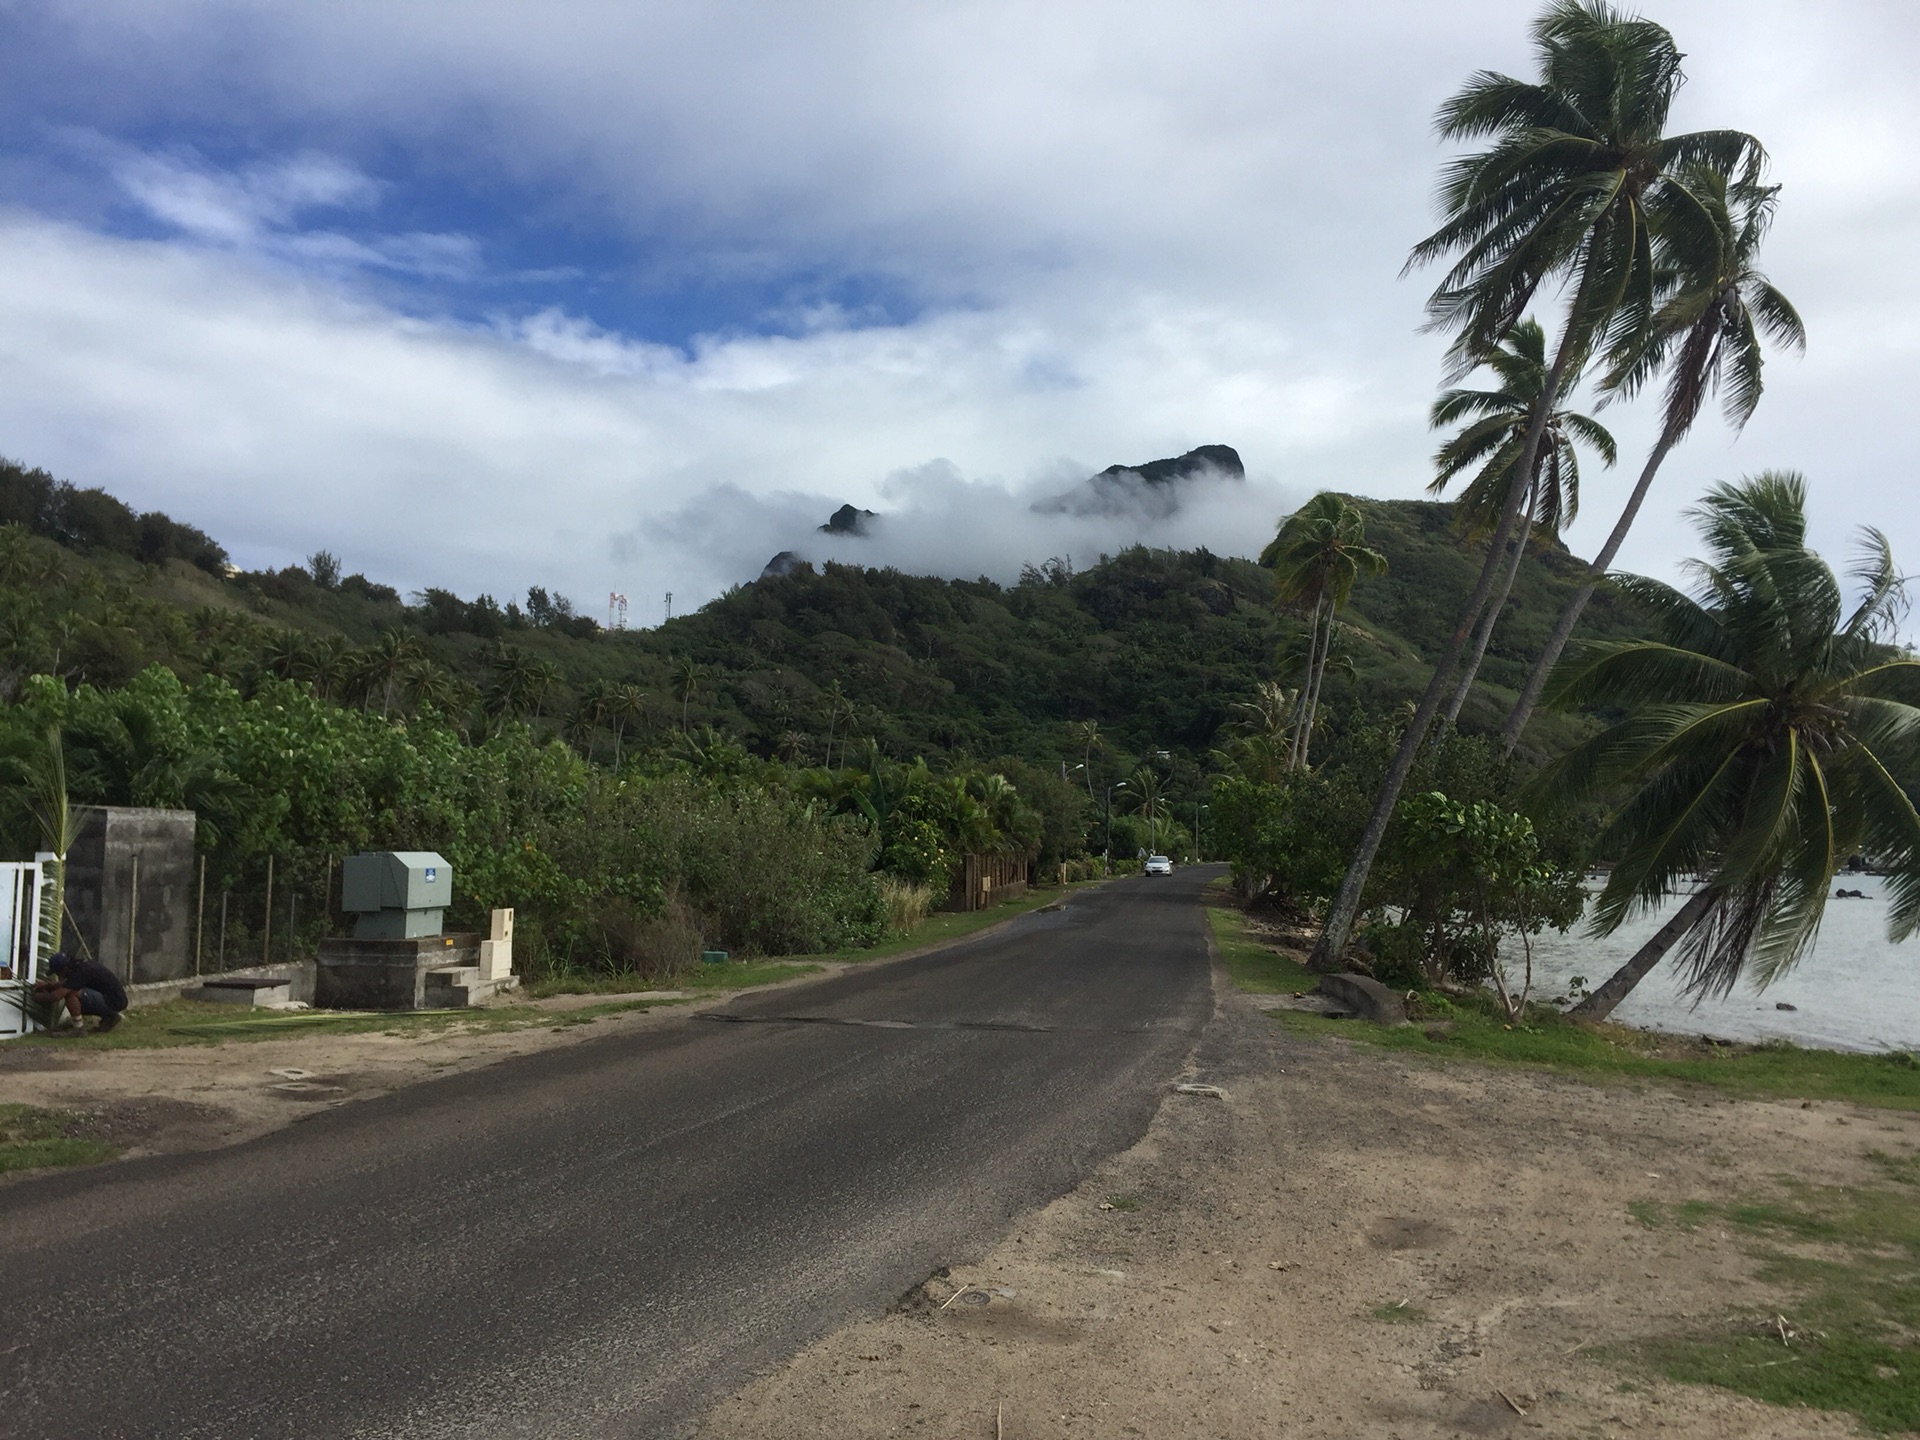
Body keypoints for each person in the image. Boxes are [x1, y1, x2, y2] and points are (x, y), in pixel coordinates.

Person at [33, 952, 128, 1034]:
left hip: (113, 1002)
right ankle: (110, 1017)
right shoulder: (81, 966)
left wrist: (38, 997)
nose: (58, 975)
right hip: (115, 1000)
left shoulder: (80, 972)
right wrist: (48, 985)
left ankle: (78, 1029)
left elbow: (56, 996)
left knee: (71, 994)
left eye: (58, 972)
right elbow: (68, 983)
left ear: (64, 968)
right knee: (71, 990)